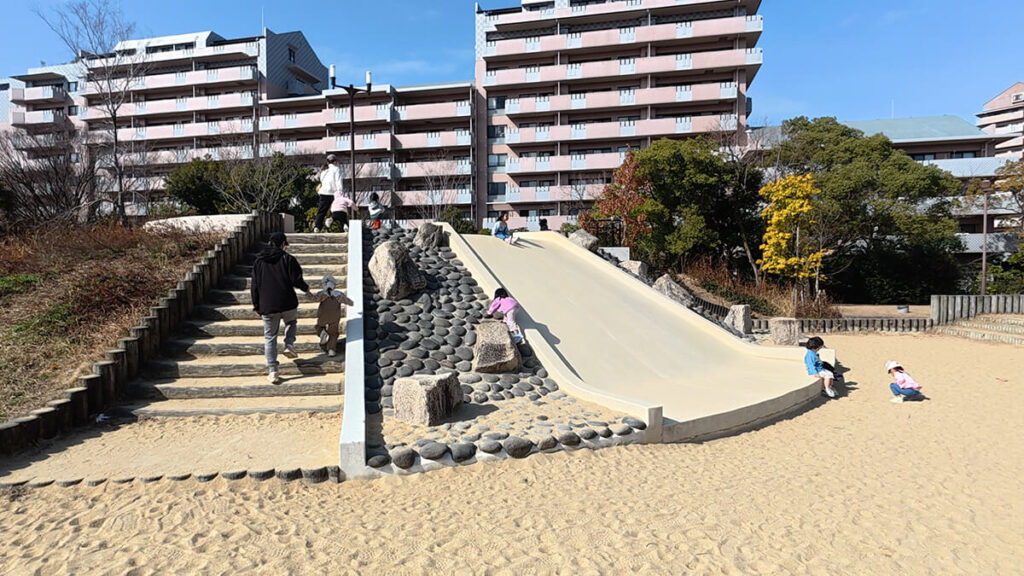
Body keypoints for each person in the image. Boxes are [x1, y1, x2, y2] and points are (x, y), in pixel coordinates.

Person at [251, 232, 311, 384]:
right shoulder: (287, 259)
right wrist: (306, 289)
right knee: (291, 323)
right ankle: (289, 344)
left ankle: (273, 371)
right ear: (282, 244)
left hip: (267, 305)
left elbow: (254, 286)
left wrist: (256, 305)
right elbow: (296, 279)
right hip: (287, 302)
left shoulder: (259, 261)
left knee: (270, 337)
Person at [312, 274, 354, 357]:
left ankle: (322, 333)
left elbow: (314, 298)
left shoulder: (322, 294)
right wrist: (351, 302)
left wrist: (308, 293)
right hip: (335, 317)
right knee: (333, 333)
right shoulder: (339, 294)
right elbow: (349, 302)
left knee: (319, 326)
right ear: (334, 285)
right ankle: (331, 350)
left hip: (322, 315)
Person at [314, 155, 344, 232]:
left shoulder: (324, 170)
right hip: (334, 193)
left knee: (321, 211)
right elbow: (338, 181)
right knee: (338, 209)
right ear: (335, 161)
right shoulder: (337, 169)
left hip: (323, 192)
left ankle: (317, 226)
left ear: (327, 161)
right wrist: (340, 192)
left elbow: (321, 180)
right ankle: (342, 224)